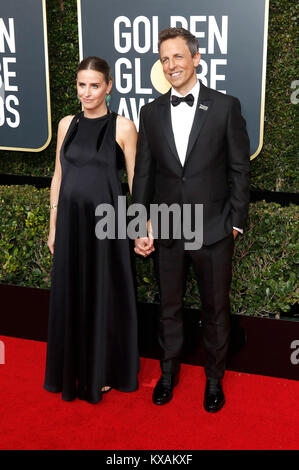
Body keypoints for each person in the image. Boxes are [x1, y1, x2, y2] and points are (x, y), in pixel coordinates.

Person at [132, 28, 250, 412]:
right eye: (165, 59)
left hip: (214, 228)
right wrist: (138, 225)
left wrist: (235, 222)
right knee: (169, 307)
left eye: (178, 57)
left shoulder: (225, 106)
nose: (171, 66)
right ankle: (168, 374)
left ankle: (214, 380)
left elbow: (239, 170)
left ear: (196, 59)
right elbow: (144, 176)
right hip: (167, 228)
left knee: (216, 309)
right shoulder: (149, 113)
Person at [44, 56, 139, 403]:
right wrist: (54, 225)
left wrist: (140, 226)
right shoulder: (67, 123)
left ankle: (104, 370)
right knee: (73, 293)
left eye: (95, 85)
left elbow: (135, 182)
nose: (87, 92)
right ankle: (72, 369)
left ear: (109, 87)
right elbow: (58, 176)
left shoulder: (124, 127)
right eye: (82, 85)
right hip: (70, 224)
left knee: (104, 295)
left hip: (107, 225)